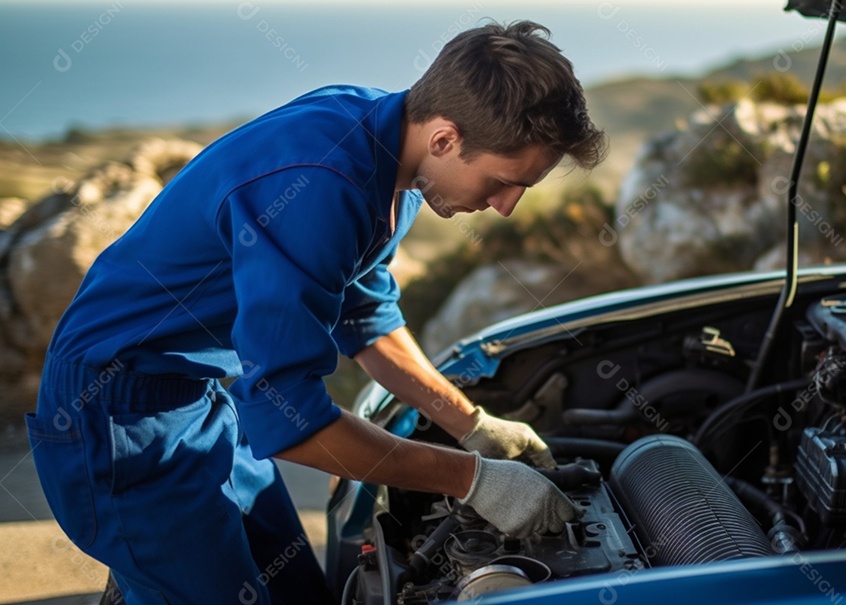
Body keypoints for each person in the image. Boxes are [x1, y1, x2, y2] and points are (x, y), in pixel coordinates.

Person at [26, 20, 606, 605]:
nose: (505, 208)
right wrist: (473, 480)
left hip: (198, 399)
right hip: (115, 420)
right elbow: (291, 423)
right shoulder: (320, 186)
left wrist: (472, 425)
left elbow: (365, 319)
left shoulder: (392, 158)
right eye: (503, 182)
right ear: (444, 140)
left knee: (298, 591)